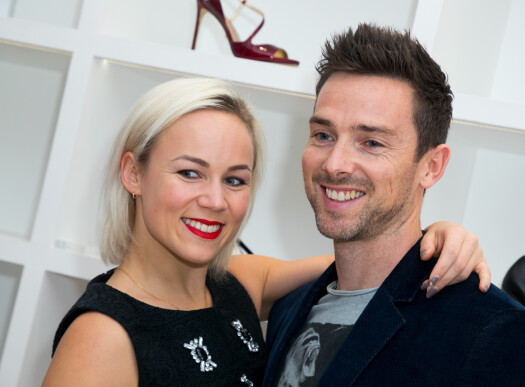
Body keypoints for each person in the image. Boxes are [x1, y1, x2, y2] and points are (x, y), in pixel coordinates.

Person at [42, 77, 490, 387]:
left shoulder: (239, 283)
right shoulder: (101, 335)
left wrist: (441, 236)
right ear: (133, 174)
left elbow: (369, 265)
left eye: (234, 180)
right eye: (190, 173)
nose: (215, 201)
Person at [264, 25, 525, 386]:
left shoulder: (497, 333)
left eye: (371, 142)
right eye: (323, 135)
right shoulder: (286, 307)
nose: (335, 163)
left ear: (431, 166)